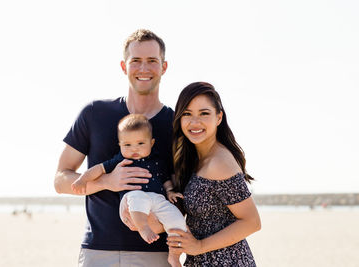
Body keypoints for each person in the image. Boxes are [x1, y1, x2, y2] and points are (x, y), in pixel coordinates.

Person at [54, 29, 175, 267]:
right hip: (98, 252)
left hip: (155, 252)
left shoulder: (176, 122)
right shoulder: (94, 113)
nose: (144, 68)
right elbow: (60, 180)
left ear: (164, 66)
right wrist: (106, 182)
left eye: (152, 61)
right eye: (135, 61)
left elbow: (186, 189)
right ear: (123, 66)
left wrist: (160, 223)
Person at [72, 114, 186, 266]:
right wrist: (82, 179)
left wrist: (170, 192)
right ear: (120, 145)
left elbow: (165, 180)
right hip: (131, 200)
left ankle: (174, 255)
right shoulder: (121, 160)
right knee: (138, 197)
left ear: (151, 143)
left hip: (157, 200)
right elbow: (99, 169)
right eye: (127, 145)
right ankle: (143, 227)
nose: (134, 149)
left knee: (176, 217)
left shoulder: (158, 161)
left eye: (140, 143)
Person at [167, 82, 261, 266]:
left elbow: (252, 222)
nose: (195, 122)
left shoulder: (220, 162)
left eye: (204, 113)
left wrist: (200, 246)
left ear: (218, 117)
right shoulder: (196, 158)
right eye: (187, 114)